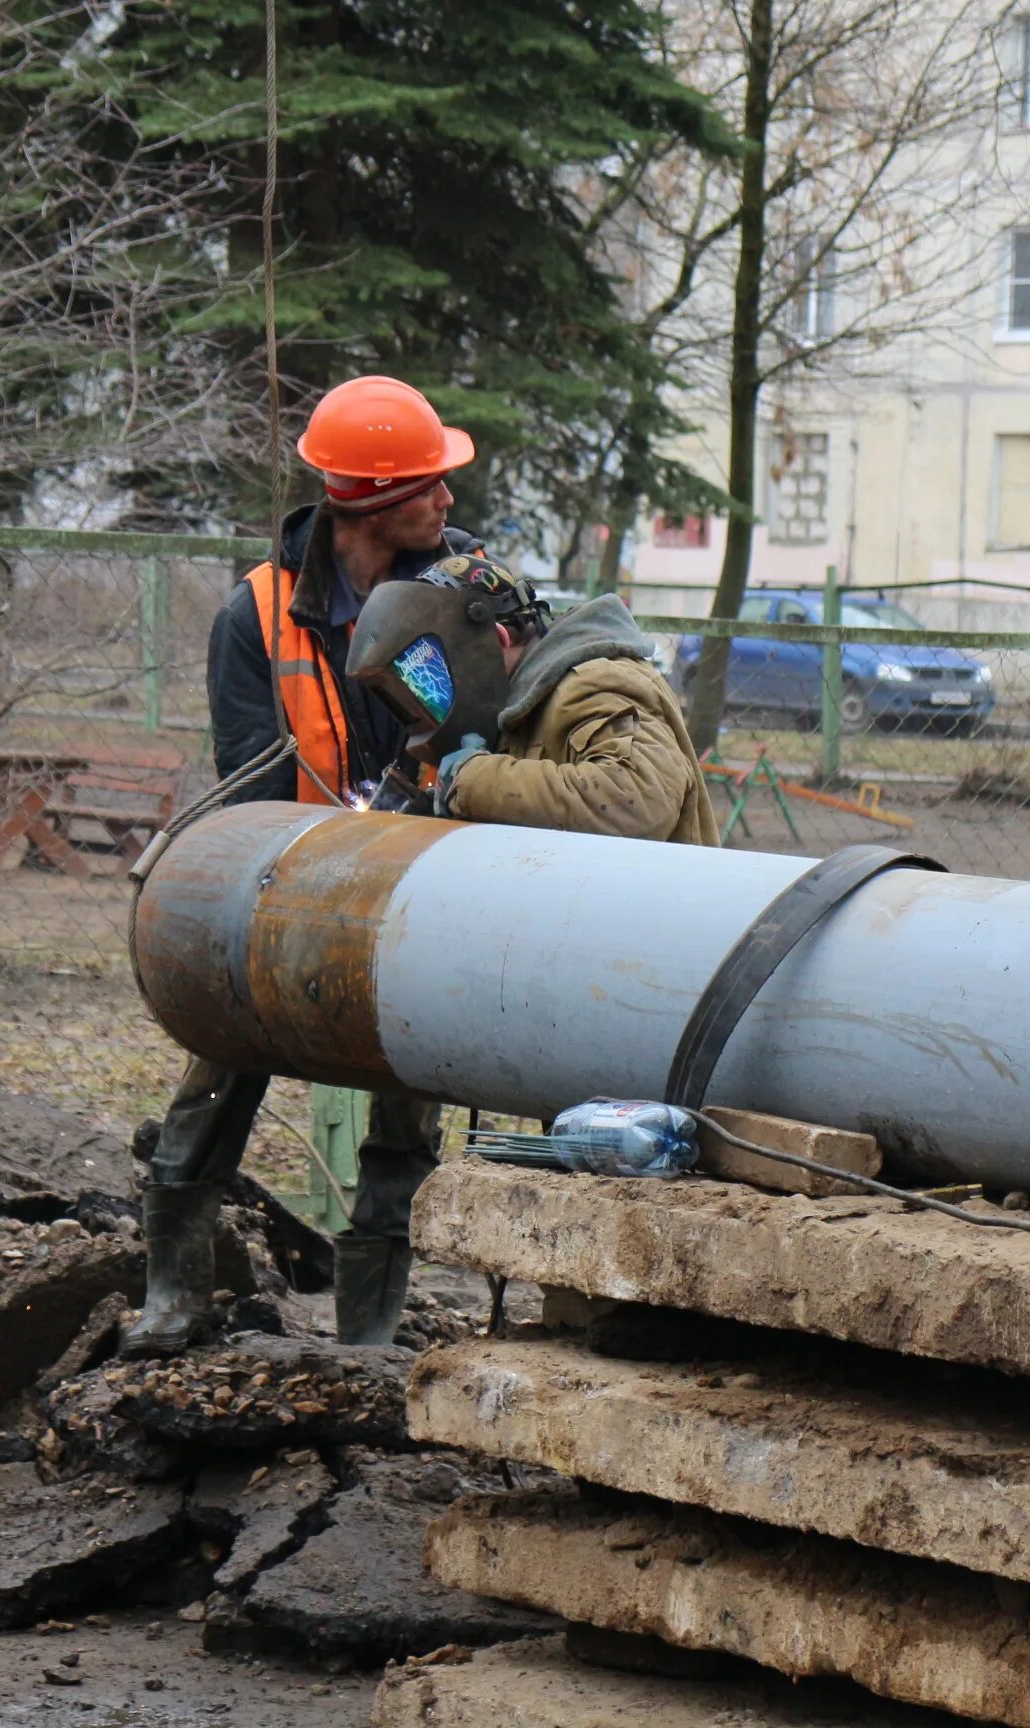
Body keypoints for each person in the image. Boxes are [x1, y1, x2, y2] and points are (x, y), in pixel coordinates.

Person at [124, 376, 481, 1359]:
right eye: (431, 486)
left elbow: (482, 742)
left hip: (419, 896)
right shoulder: (259, 615)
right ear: (371, 502)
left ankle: (366, 1339)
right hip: (285, 897)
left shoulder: (459, 595)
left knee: (404, 1121)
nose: (449, 502)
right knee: (211, 1084)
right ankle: (172, 1299)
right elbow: (249, 790)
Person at [345, 552, 720, 846]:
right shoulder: (523, 705)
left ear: (497, 639)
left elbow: (638, 799)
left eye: (434, 680)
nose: (430, 699)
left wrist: (472, 783)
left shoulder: (592, 682)